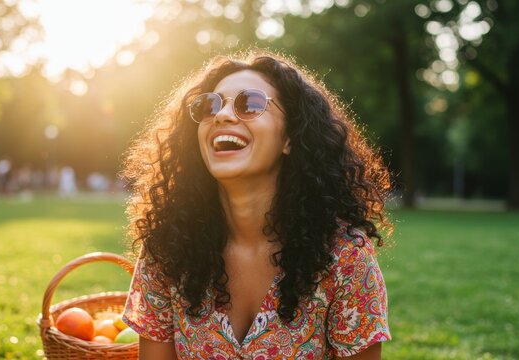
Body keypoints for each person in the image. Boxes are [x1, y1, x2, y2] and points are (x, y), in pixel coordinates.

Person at [121, 50, 392, 359]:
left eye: (249, 104)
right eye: (210, 105)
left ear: (289, 137)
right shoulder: (168, 247)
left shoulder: (344, 255)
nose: (221, 115)